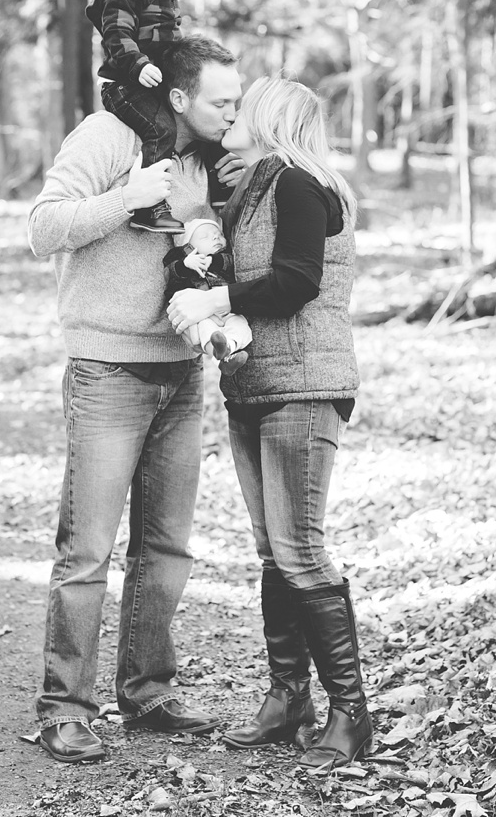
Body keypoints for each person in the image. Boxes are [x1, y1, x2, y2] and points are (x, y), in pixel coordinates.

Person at [28, 31, 243, 757]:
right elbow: (44, 228)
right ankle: (64, 709)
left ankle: (147, 693)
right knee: (86, 549)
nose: (231, 112)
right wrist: (128, 196)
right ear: (178, 95)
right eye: (220, 101)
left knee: (165, 547)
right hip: (107, 370)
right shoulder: (107, 134)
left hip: (182, 373)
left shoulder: (209, 159)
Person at [167, 74, 371, 781]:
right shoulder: (255, 185)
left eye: (240, 102)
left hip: (304, 386)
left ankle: (350, 712)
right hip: (254, 386)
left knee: (301, 551)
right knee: (272, 552)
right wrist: (199, 253)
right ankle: (287, 699)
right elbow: (242, 269)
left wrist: (217, 294)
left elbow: (297, 280)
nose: (230, 111)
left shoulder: (297, 182)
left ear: (270, 117)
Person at [88, 0, 204, 223]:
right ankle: (148, 206)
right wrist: (138, 65)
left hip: (155, 82)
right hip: (125, 86)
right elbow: (117, 36)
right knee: (161, 130)